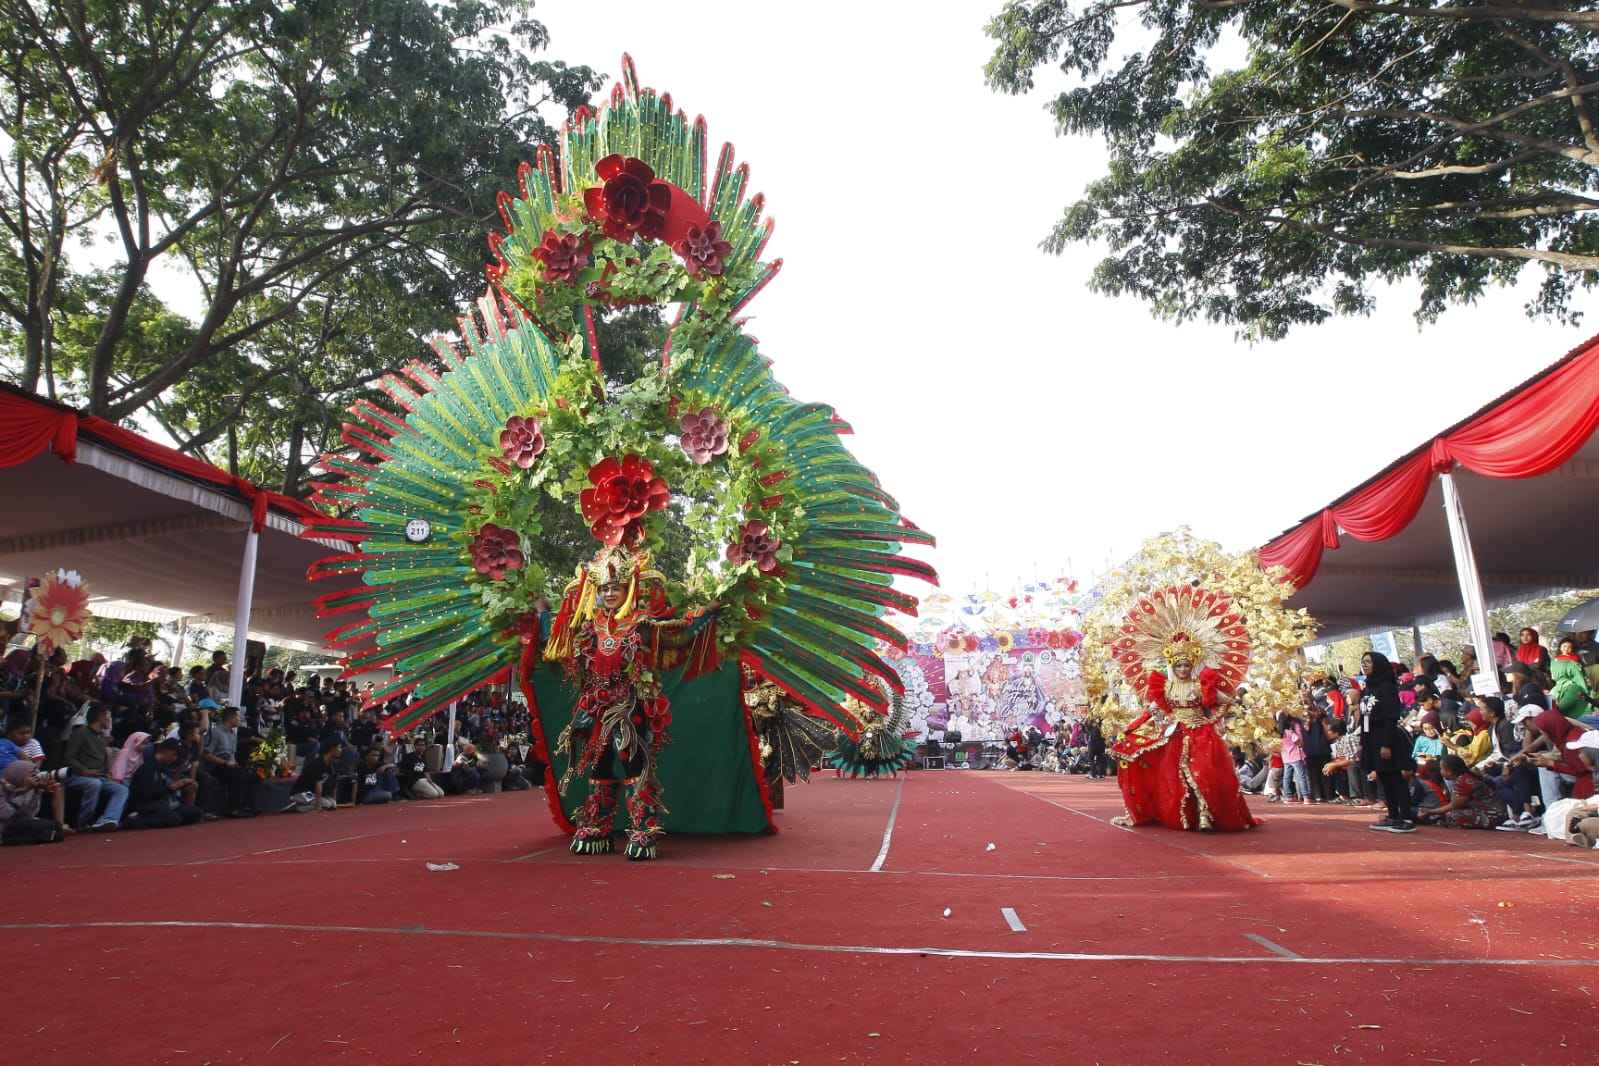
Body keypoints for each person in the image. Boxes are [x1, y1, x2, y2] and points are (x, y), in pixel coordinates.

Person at [543, 542, 721, 860]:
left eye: (617, 587)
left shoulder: (642, 624)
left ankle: (643, 828)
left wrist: (709, 610)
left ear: (629, 588)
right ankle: (598, 825)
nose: (610, 593)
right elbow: (557, 637)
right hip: (596, 706)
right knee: (598, 763)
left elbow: (679, 635)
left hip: (630, 705)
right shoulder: (589, 625)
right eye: (606, 587)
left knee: (631, 761)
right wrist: (540, 610)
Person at [1109, 617, 1259, 832]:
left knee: (1204, 773)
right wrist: (1151, 722)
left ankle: (1206, 816)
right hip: (1176, 736)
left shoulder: (1201, 686)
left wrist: (1214, 719)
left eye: (1186, 665)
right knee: (1178, 778)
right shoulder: (1165, 688)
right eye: (1178, 665)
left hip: (1202, 735)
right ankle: (1190, 816)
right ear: (1173, 665)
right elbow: (1152, 711)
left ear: (1192, 665)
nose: (1182, 668)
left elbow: (1227, 702)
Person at [1359, 651, 1417, 833]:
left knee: (1394, 777)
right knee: (1383, 777)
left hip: (1386, 736)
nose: (1365, 665)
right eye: (1363, 662)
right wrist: (1363, 742)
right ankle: (1393, 816)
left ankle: (1406, 818)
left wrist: (1386, 744)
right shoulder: (1367, 688)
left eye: (1368, 662)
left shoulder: (1386, 687)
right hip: (1371, 737)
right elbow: (1364, 717)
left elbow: (1390, 717)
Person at [63, 705, 127, 832]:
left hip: (98, 776)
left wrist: (107, 772)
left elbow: (101, 759)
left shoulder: (101, 737)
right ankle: (83, 821)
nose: (110, 720)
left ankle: (107, 819)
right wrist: (84, 771)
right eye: (108, 717)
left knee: (122, 789)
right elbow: (69, 758)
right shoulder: (80, 733)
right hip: (77, 775)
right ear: (101, 717)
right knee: (94, 784)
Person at [1415, 754, 1509, 829]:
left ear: (1450, 771)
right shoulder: (1463, 778)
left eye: (1442, 768)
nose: (1440, 771)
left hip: (1490, 815)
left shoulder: (1463, 781)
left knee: (1451, 815)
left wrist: (1430, 811)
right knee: (1441, 816)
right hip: (1489, 812)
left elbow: (1454, 805)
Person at [126, 739, 204, 829]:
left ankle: (167, 820)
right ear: (164, 751)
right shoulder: (148, 768)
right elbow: (147, 794)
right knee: (172, 818)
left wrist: (178, 786)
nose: (175, 758)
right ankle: (134, 822)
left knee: (196, 812)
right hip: (147, 806)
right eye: (174, 754)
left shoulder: (163, 768)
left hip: (164, 804)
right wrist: (170, 788)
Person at [0, 760, 66, 845]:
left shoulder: (27, 787)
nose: (34, 777)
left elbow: (29, 815)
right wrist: (23, 790)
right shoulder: (2, 788)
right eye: (31, 774)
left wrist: (37, 792)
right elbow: (4, 813)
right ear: (18, 774)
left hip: (13, 827)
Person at [288, 741, 343, 812]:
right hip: (302, 792)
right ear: (332, 749)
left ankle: (301, 805)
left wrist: (335, 805)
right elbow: (318, 784)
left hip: (312, 793)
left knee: (332, 804)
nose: (341, 749)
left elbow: (334, 785)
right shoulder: (318, 763)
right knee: (327, 804)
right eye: (339, 747)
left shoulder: (332, 765)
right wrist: (318, 807)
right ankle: (298, 808)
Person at [1549, 636, 1593, 719]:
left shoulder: (1574, 659)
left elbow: (1579, 676)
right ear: (1560, 647)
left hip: (1571, 686)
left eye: (1569, 647)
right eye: (1564, 646)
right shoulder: (1556, 659)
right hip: (1559, 686)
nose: (1566, 649)